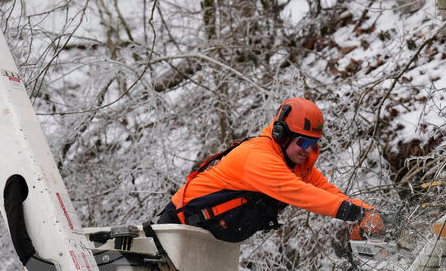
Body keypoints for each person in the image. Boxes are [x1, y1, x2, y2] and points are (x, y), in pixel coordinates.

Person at [157, 97, 383, 243]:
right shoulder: (258, 157)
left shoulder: (296, 165)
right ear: (282, 134)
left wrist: (371, 213)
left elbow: (328, 192)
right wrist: (355, 214)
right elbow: (300, 193)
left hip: (211, 238)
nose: (308, 150)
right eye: (303, 142)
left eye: (313, 144)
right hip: (179, 226)